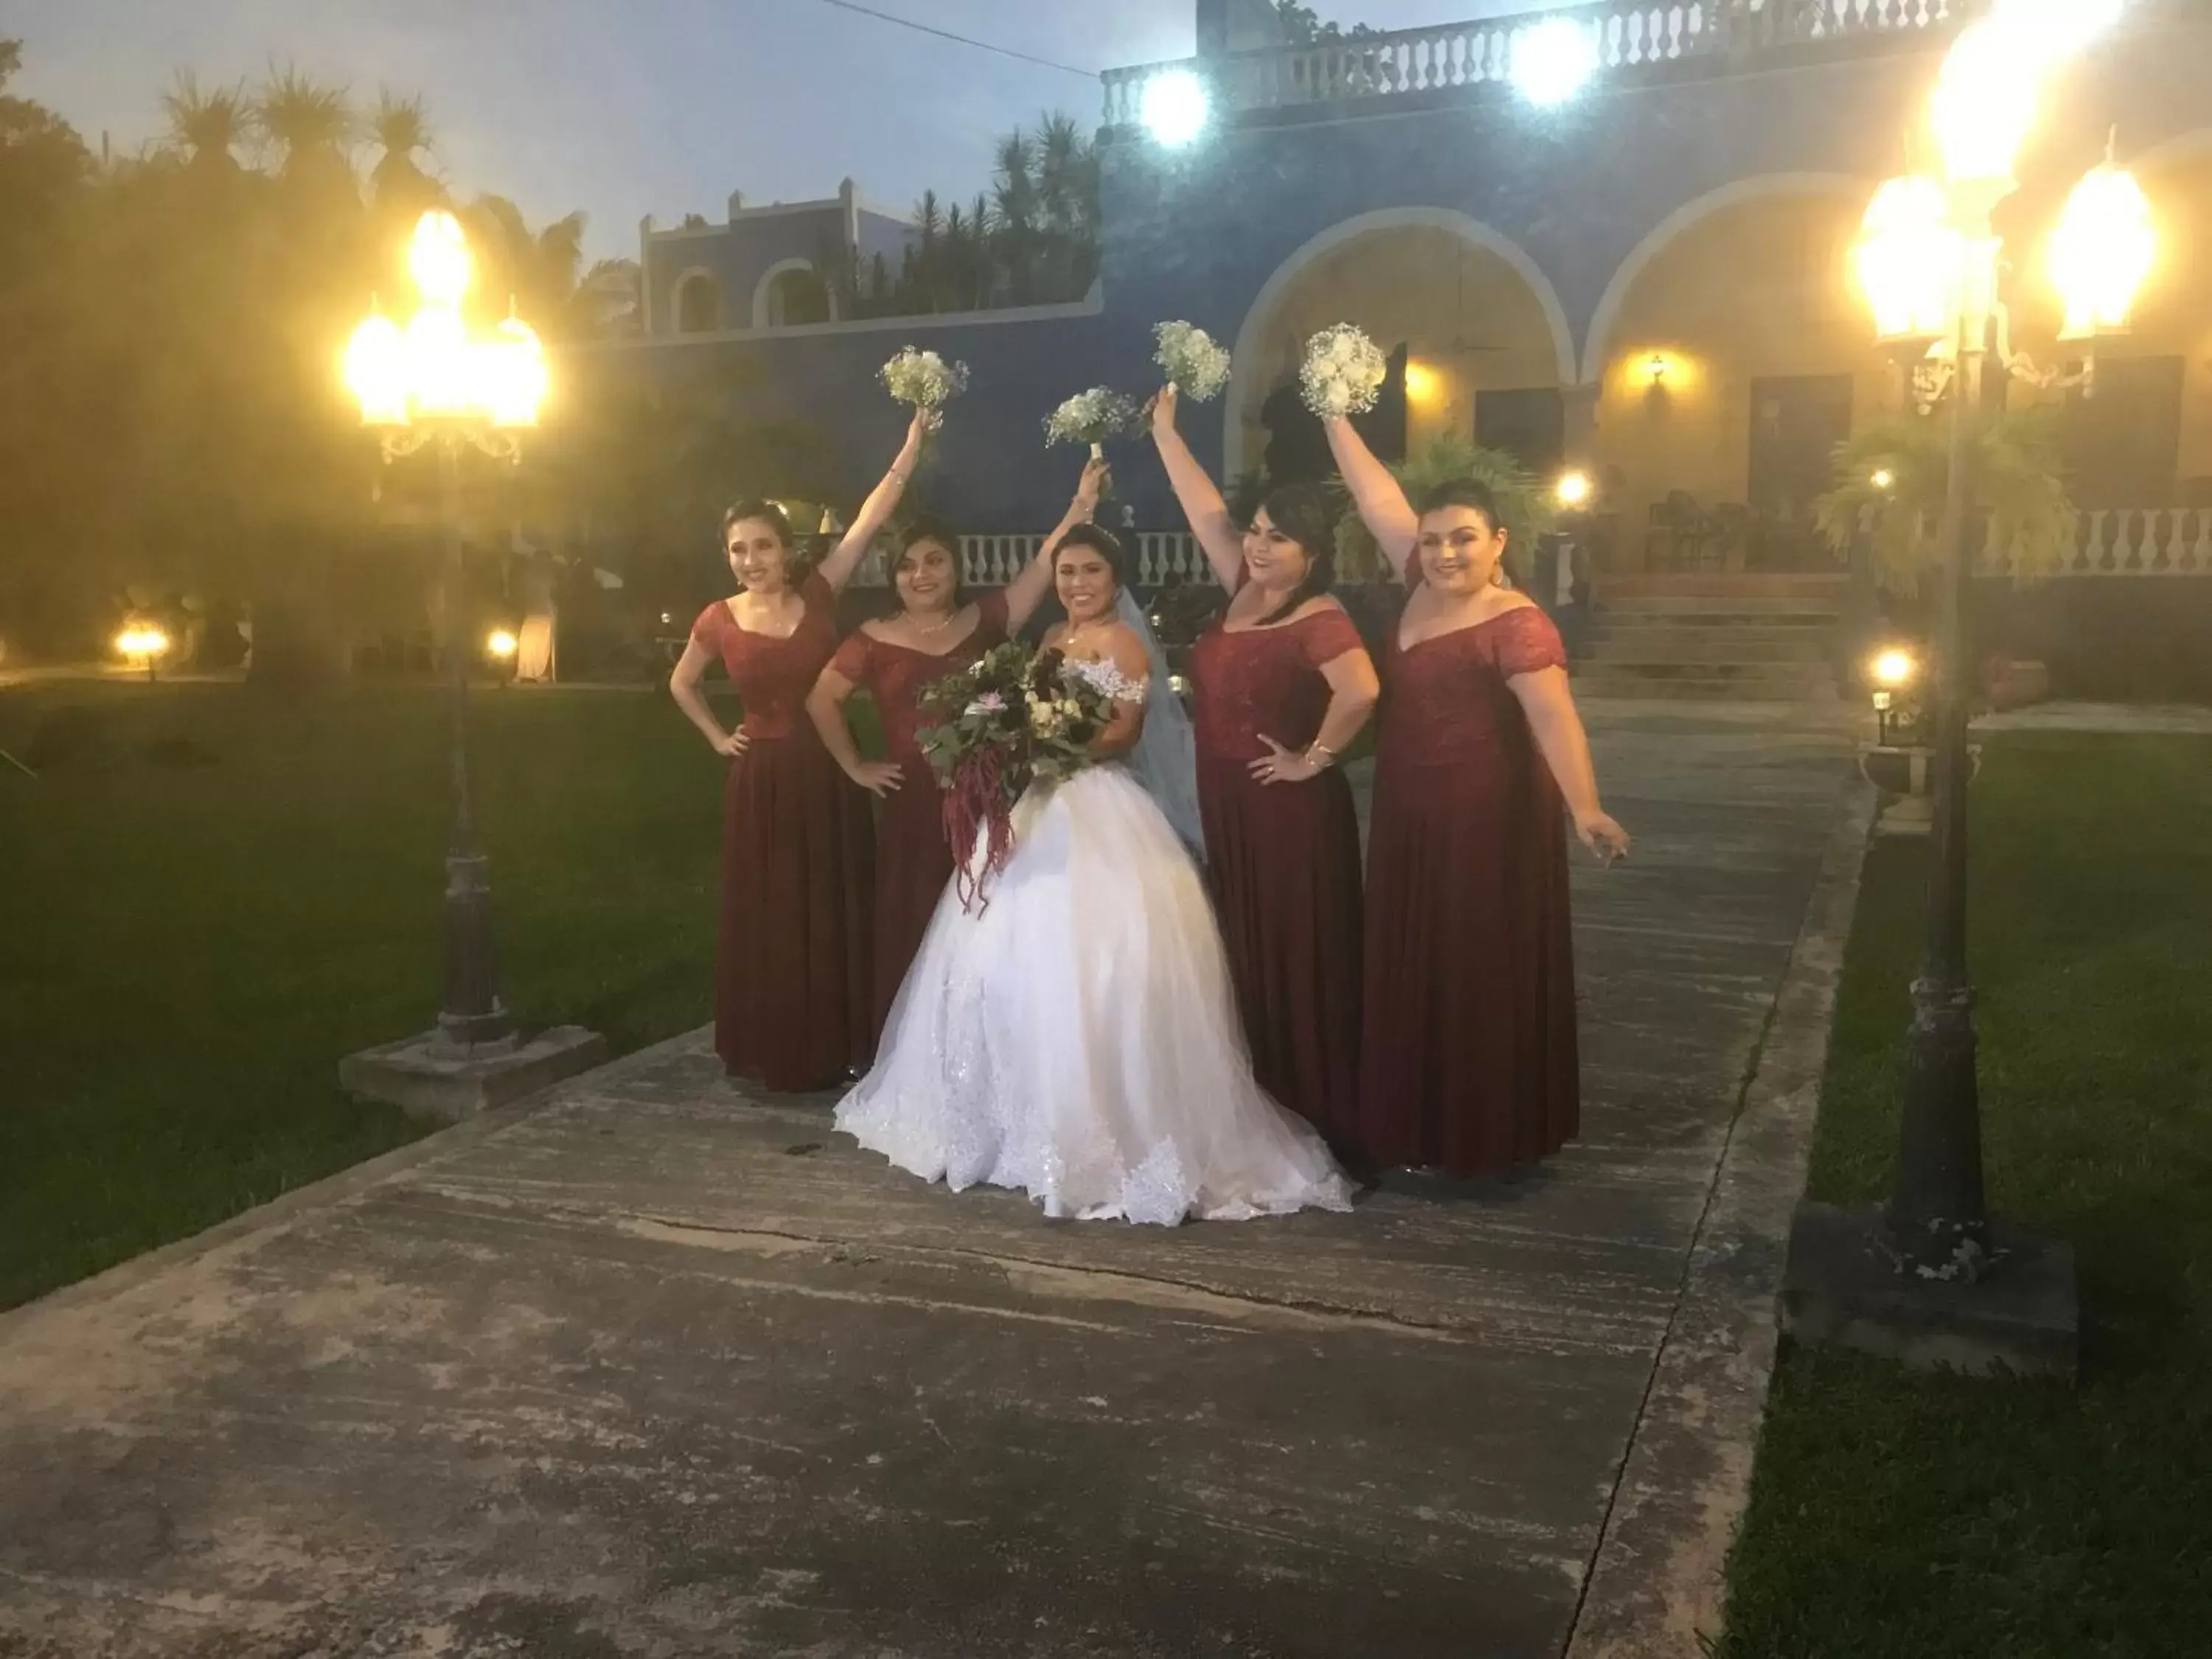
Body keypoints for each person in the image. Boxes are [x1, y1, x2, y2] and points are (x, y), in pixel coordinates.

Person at [835, 524, 1352, 1225]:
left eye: (1092, 573)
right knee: (1005, 953)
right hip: (1041, 802)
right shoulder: (1049, 639)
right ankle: (1011, 1113)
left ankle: (1106, 1126)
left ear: (1116, 580)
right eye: (1069, 572)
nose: (1077, 585)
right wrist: (1015, 736)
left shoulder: (1124, 645)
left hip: (1101, 802)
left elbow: (1126, 731)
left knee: (1101, 962)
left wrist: (1051, 737)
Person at [1326, 411, 1632, 1180]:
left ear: (1498, 543)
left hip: (1487, 820)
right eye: (1432, 541)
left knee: (1471, 965)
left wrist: (1584, 807)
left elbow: (1556, 721)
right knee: (1413, 959)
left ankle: (1481, 1133)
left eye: (1463, 538)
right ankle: (1416, 1122)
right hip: (1407, 811)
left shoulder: (1517, 623)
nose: (1444, 553)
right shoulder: (1418, 583)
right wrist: (1332, 410)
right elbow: (1376, 497)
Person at [806, 454, 1108, 1051]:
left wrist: (1083, 505)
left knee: (989, 925)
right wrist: (854, 765)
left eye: (935, 561)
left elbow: (1046, 565)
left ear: (955, 566)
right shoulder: (871, 639)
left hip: (986, 800)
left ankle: (989, 1045)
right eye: (908, 566)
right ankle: (913, 1050)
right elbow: (821, 700)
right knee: (913, 923)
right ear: (894, 576)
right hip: (912, 806)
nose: (922, 575)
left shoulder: (986, 619)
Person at [1147, 383, 1378, 1156]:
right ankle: (1261, 1095)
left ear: (1312, 554)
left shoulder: (1318, 615)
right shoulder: (1244, 594)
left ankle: (1317, 1107)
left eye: (1279, 538)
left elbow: (1362, 690)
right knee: (1244, 950)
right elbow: (1205, 511)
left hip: (1286, 813)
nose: (1258, 545)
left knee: (1295, 954)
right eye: (1258, 531)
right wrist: (1166, 435)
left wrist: (1315, 758)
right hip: (1229, 804)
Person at [669, 410, 929, 1093]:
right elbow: (683, 681)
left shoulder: (821, 594)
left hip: (828, 771)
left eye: (762, 547)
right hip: (763, 781)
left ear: (787, 550)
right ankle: (774, 1043)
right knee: (774, 910)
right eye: (738, 550)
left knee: (833, 902)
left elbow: (872, 518)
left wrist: (908, 448)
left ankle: (841, 1041)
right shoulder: (717, 618)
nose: (750, 561)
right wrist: (718, 736)